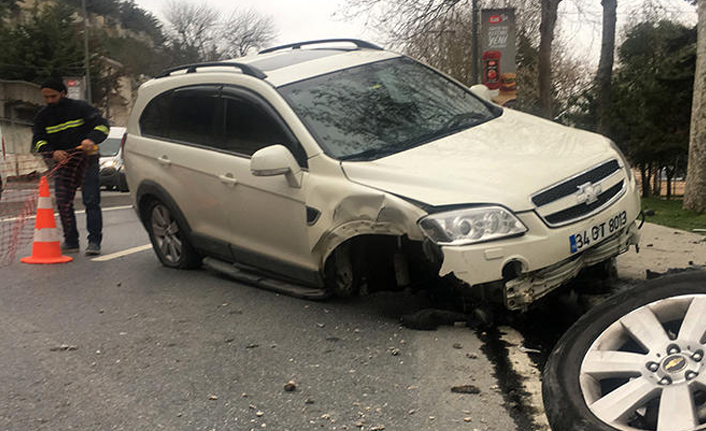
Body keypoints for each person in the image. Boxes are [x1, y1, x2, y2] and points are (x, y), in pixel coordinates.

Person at [32, 77, 110, 255]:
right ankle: (71, 241)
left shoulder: (81, 108)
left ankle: (94, 242)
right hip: (63, 162)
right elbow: (38, 141)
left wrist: (91, 139)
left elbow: (103, 126)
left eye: (53, 96)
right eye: (46, 97)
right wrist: (52, 152)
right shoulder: (42, 117)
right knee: (63, 202)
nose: (49, 100)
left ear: (63, 93)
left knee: (91, 200)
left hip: (87, 159)